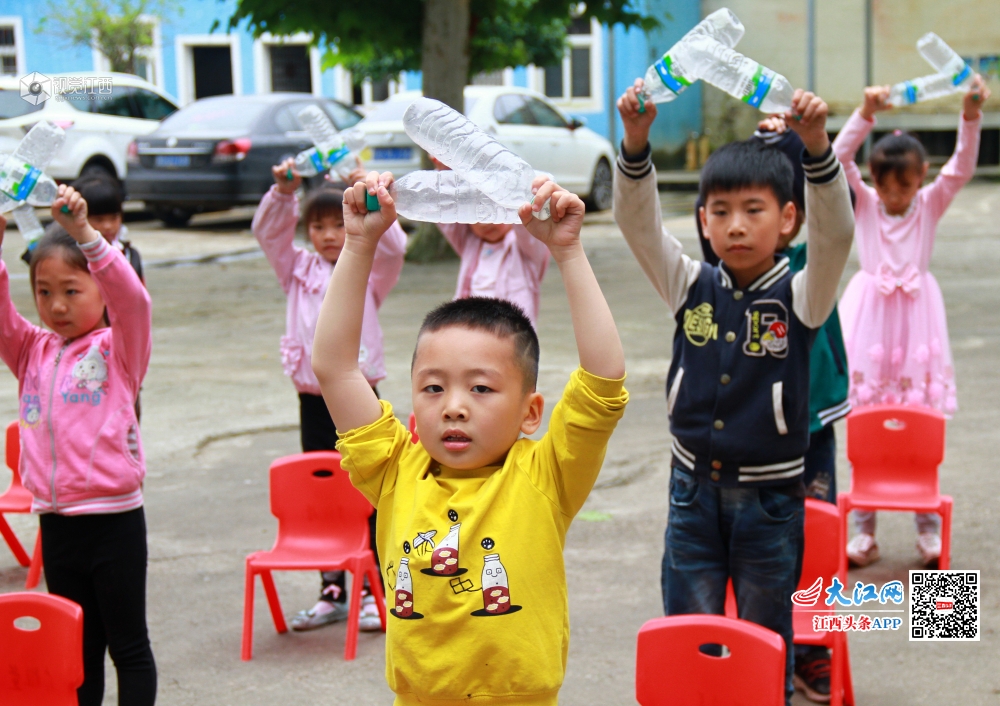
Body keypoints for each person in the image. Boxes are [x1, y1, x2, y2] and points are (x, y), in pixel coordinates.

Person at [311, 171, 627, 705]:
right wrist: (361, 243)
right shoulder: (393, 471)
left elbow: (603, 379)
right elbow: (337, 369)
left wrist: (569, 253)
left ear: (530, 413)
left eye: (481, 388)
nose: (454, 405)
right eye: (433, 388)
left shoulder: (546, 475)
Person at [615, 79, 854, 706]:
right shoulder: (689, 284)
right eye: (720, 212)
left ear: (788, 218)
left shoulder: (803, 294)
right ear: (702, 221)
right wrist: (635, 144)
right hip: (691, 491)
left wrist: (818, 149)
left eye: (754, 209)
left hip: (771, 503)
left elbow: (838, 236)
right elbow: (637, 226)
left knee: (762, 637)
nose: (736, 225)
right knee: (689, 631)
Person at [694, 116, 851, 703]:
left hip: (853, 392)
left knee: (819, 538)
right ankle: (761, 655)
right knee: (779, 542)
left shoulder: (820, 251)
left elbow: (839, 203)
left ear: (793, 212)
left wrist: (806, 140)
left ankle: (814, 650)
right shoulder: (736, 261)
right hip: (765, 430)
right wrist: (771, 146)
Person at [0, 185, 156, 705]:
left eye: (71, 290)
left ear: (99, 292)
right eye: (43, 292)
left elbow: (133, 298)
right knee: (76, 649)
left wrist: (87, 236)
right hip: (56, 522)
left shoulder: (120, 347)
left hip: (114, 521)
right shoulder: (32, 351)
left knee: (127, 646)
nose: (56, 305)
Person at [833, 76, 989, 568]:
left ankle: (928, 530)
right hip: (871, 320)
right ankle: (865, 532)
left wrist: (970, 111)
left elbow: (963, 165)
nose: (895, 194)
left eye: (905, 183)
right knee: (866, 423)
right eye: (885, 183)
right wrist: (865, 114)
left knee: (920, 425)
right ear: (874, 181)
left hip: (917, 320)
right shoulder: (865, 204)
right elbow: (837, 158)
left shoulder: (929, 205)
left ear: (922, 176)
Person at [251, 158, 406, 632]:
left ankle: (377, 588)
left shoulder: (369, 269)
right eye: (316, 227)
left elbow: (394, 248)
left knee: (371, 491)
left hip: (361, 396)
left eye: (334, 225)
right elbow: (268, 234)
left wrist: (369, 192)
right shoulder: (296, 270)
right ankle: (334, 589)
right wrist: (282, 191)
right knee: (322, 495)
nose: (327, 236)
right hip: (313, 400)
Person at [430, 157, 551, 327]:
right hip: (471, 333)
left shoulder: (525, 251)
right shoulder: (470, 245)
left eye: (493, 212)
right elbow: (445, 214)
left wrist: (528, 194)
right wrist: (444, 172)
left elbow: (531, 229)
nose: (485, 223)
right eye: (477, 216)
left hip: (511, 339)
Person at [24, 174, 144, 284]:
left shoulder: (130, 256)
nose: (108, 226)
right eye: (98, 219)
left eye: (114, 218)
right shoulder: (68, 258)